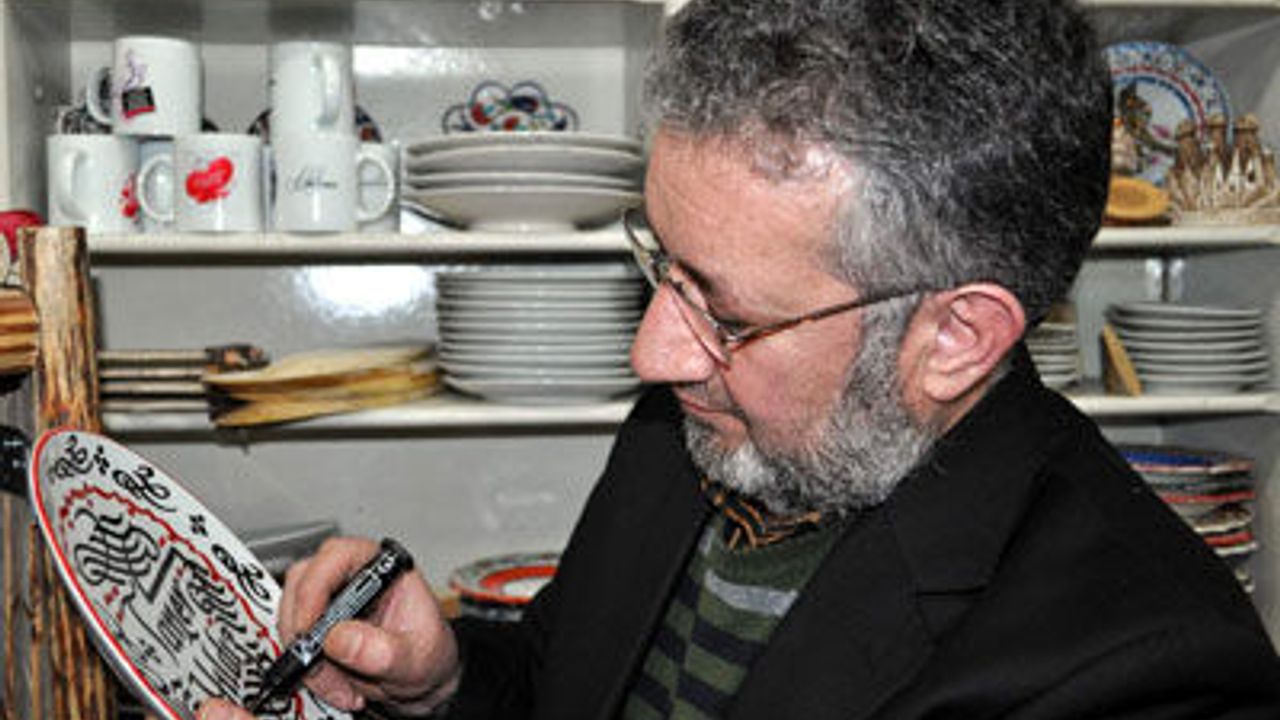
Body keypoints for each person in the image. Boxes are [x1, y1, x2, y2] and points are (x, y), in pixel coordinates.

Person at [201, 0, 1280, 717]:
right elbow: (564, 686)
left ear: (954, 338)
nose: (653, 352)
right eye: (662, 265)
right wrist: (443, 683)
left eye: (724, 310)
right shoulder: (704, 415)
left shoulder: (1146, 671)